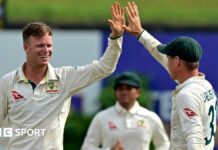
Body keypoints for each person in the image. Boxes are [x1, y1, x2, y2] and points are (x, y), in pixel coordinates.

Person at [0, 2, 125, 149]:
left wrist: (116, 38)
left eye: (49, 45)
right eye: (40, 45)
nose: (46, 50)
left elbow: (104, 68)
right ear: (25, 47)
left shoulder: (65, 77)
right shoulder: (8, 81)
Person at [123, 2, 217, 150]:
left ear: (177, 61)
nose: (167, 60)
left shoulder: (186, 95)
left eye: (170, 57)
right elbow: (161, 55)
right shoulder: (204, 85)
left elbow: (195, 138)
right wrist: (140, 34)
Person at [81, 72, 170, 150]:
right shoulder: (101, 117)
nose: (124, 92)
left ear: (138, 92)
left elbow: (164, 144)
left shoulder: (150, 117)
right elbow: (86, 147)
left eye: (128, 88)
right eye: (120, 88)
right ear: (115, 92)